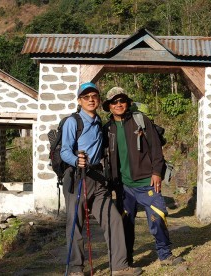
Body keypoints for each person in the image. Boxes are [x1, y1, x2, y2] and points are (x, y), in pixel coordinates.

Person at [60, 82, 142, 276]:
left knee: (113, 218)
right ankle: (75, 269)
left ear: (98, 99)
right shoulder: (73, 122)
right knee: (75, 223)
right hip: (77, 177)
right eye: (86, 97)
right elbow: (64, 150)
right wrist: (76, 159)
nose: (91, 100)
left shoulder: (99, 122)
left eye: (94, 96)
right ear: (79, 100)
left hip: (97, 178)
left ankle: (120, 267)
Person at [102, 87, 183, 267]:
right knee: (125, 224)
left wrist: (156, 173)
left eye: (122, 100)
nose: (118, 104)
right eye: (114, 102)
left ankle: (165, 255)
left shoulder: (140, 120)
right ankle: (127, 260)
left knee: (158, 217)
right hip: (123, 186)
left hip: (147, 181)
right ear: (108, 106)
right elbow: (103, 157)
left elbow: (156, 148)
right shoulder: (107, 129)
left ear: (127, 103)